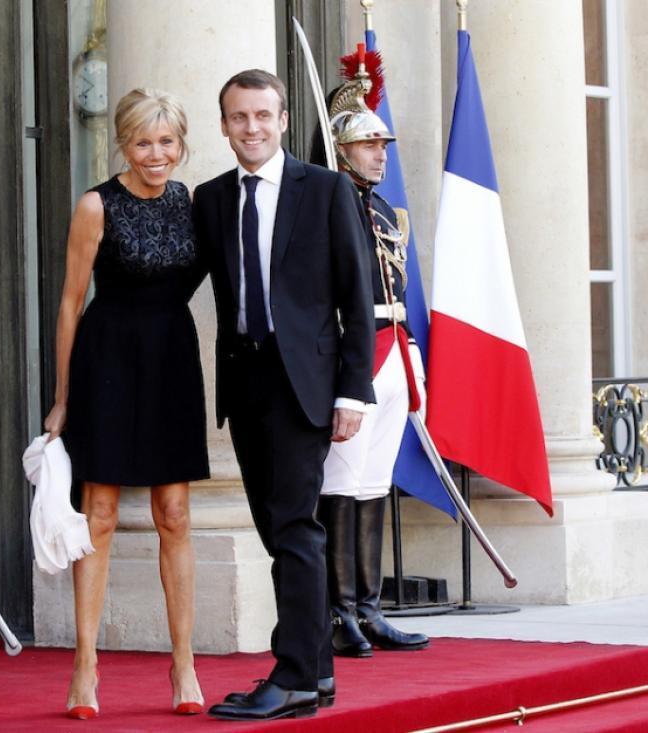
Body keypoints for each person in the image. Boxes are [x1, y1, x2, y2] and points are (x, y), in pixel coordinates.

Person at [193, 69, 376, 722]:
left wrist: (354, 392)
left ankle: (294, 675)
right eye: (239, 117)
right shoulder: (212, 198)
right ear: (224, 125)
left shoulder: (325, 189)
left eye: (263, 115)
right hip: (244, 382)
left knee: (296, 525)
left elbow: (358, 297)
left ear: (284, 120)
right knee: (279, 530)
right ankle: (317, 670)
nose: (252, 128)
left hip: (306, 384)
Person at [42, 88, 208, 719]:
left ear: (181, 144)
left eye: (167, 142)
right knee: (101, 515)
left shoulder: (189, 201)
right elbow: (69, 303)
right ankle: (85, 665)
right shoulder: (96, 205)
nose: (156, 154)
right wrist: (62, 397)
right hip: (108, 359)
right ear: (123, 144)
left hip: (171, 361)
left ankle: (183, 662)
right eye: (143, 142)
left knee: (176, 515)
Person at [312, 62, 429, 658]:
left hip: (394, 350)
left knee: (374, 482)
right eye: (368, 144)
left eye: (382, 144)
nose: (381, 154)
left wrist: (413, 359)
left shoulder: (383, 210)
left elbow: (397, 286)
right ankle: (338, 612)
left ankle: (369, 607)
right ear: (340, 149)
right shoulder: (325, 209)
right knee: (342, 481)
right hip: (351, 356)